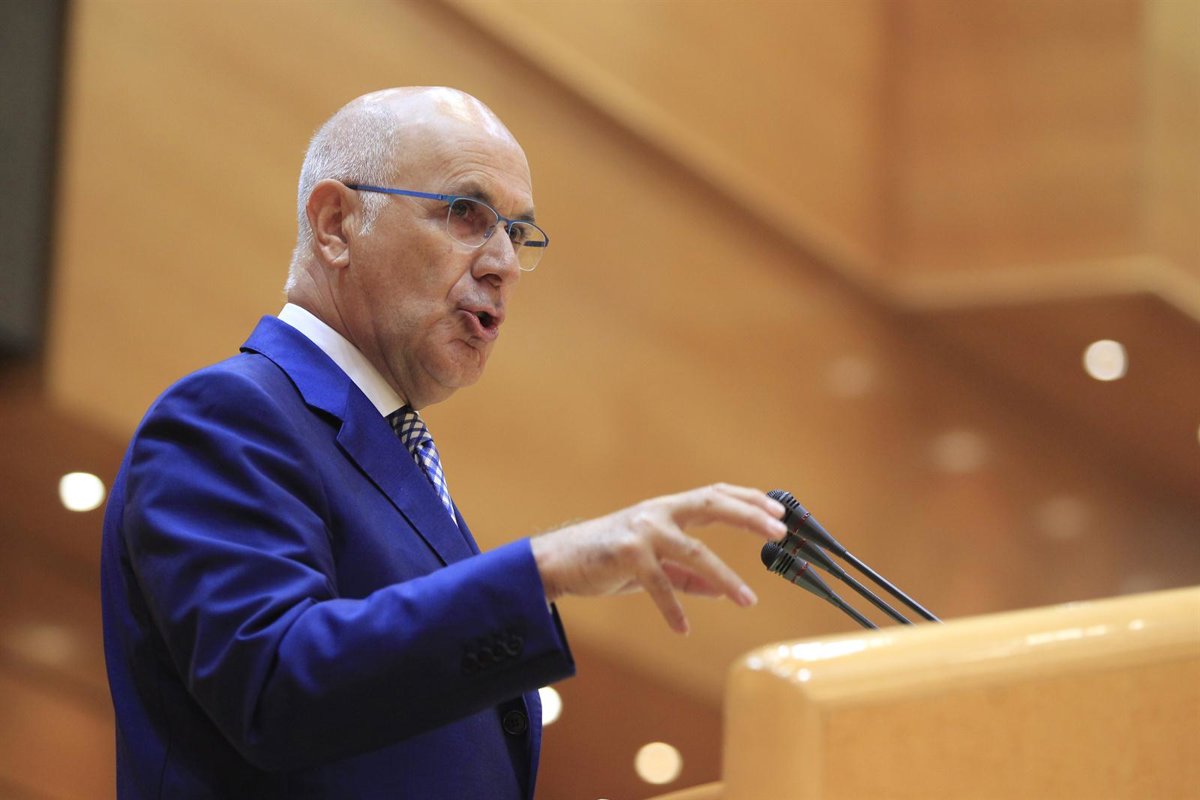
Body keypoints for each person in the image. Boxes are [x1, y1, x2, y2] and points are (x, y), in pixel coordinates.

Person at [100, 86, 787, 800]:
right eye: (467, 214)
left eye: (517, 233)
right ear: (336, 225)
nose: (504, 264)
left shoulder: (394, 456)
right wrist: (546, 567)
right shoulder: (228, 416)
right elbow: (276, 684)